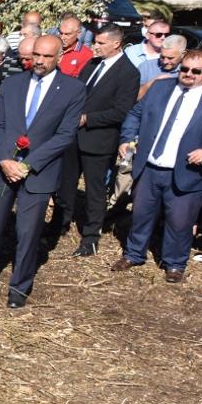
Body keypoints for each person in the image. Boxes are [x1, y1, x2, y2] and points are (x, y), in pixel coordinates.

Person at [0, 36, 88, 308]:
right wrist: (4, 160)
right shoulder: (13, 84)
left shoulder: (73, 89)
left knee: (28, 233)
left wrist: (28, 165)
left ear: (59, 57)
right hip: (3, 169)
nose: (39, 61)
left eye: (47, 56)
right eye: (36, 55)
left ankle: (18, 288)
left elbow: (65, 135)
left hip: (39, 173)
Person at [113, 48, 202, 282]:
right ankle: (134, 253)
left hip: (188, 171)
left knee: (180, 222)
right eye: (185, 69)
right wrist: (127, 138)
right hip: (150, 167)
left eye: (196, 71)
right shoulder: (161, 87)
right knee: (141, 214)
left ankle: (175, 263)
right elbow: (136, 114)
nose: (188, 74)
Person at [52, 25, 140, 257]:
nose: (95, 46)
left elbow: (121, 111)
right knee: (65, 184)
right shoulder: (92, 64)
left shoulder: (128, 73)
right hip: (74, 137)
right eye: (95, 42)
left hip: (99, 141)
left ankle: (90, 237)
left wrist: (88, 119)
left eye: (101, 43)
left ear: (116, 44)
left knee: (95, 191)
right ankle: (59, 225)